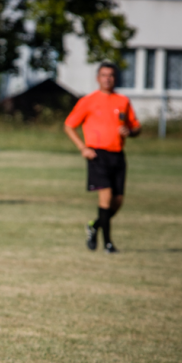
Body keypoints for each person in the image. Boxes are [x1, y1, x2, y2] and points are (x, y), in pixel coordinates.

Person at [64, 61, 141, 254]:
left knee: (118, 202)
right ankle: (108, 244)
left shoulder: (122, 101)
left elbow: (136, 126)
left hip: (118, 155)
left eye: (111, 75)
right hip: (97, 155)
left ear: (115, 78)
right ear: (98, 78)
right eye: (104, 75)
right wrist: (83, 148)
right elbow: (69, 125)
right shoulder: (88, 101)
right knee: (105, 199)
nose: (108, 79)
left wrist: (130, 132)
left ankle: (94, 225)